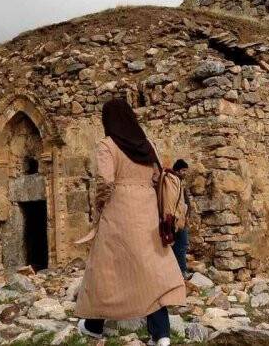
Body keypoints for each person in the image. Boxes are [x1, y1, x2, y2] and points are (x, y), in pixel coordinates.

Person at [75, 99, 186, 346]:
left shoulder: (107, 145)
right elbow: (158, 177)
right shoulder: (148, 146)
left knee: (106, 268)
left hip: (118, 209)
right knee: (151, 269)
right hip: (146, 211)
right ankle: (162, 334)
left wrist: (100, 205)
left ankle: (94, 325)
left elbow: (105, 180)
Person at [169, 159, 191, 278]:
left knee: (181, 246)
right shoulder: (173, 183)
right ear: (177, 170)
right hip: (176, 220)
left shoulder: (179, 183)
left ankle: (179, 271)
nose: (185, 173)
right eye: (183, 170)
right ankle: (181, 271)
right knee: (181, 245)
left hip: (182, 219)